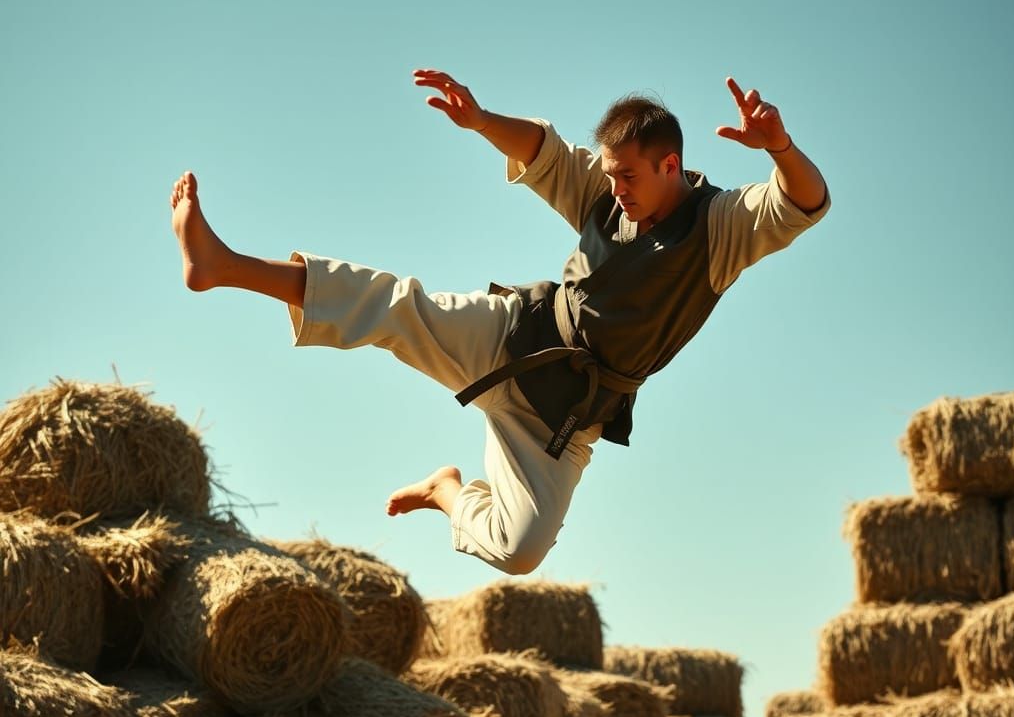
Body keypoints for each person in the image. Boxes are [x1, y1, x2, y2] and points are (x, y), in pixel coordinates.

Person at [170, 69, 829, 575]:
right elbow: (548, 152)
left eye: (629, 175)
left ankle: (446, 491)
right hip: (518, 338)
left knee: (520, 552)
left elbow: (804, 201)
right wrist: (482, 119)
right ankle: (223, 265)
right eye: (610, 175)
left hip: (566, 420)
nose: (616, 188)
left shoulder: (719, 228)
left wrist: (781, 147)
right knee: (396, 308)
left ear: (671, 166)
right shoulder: (605, 193)